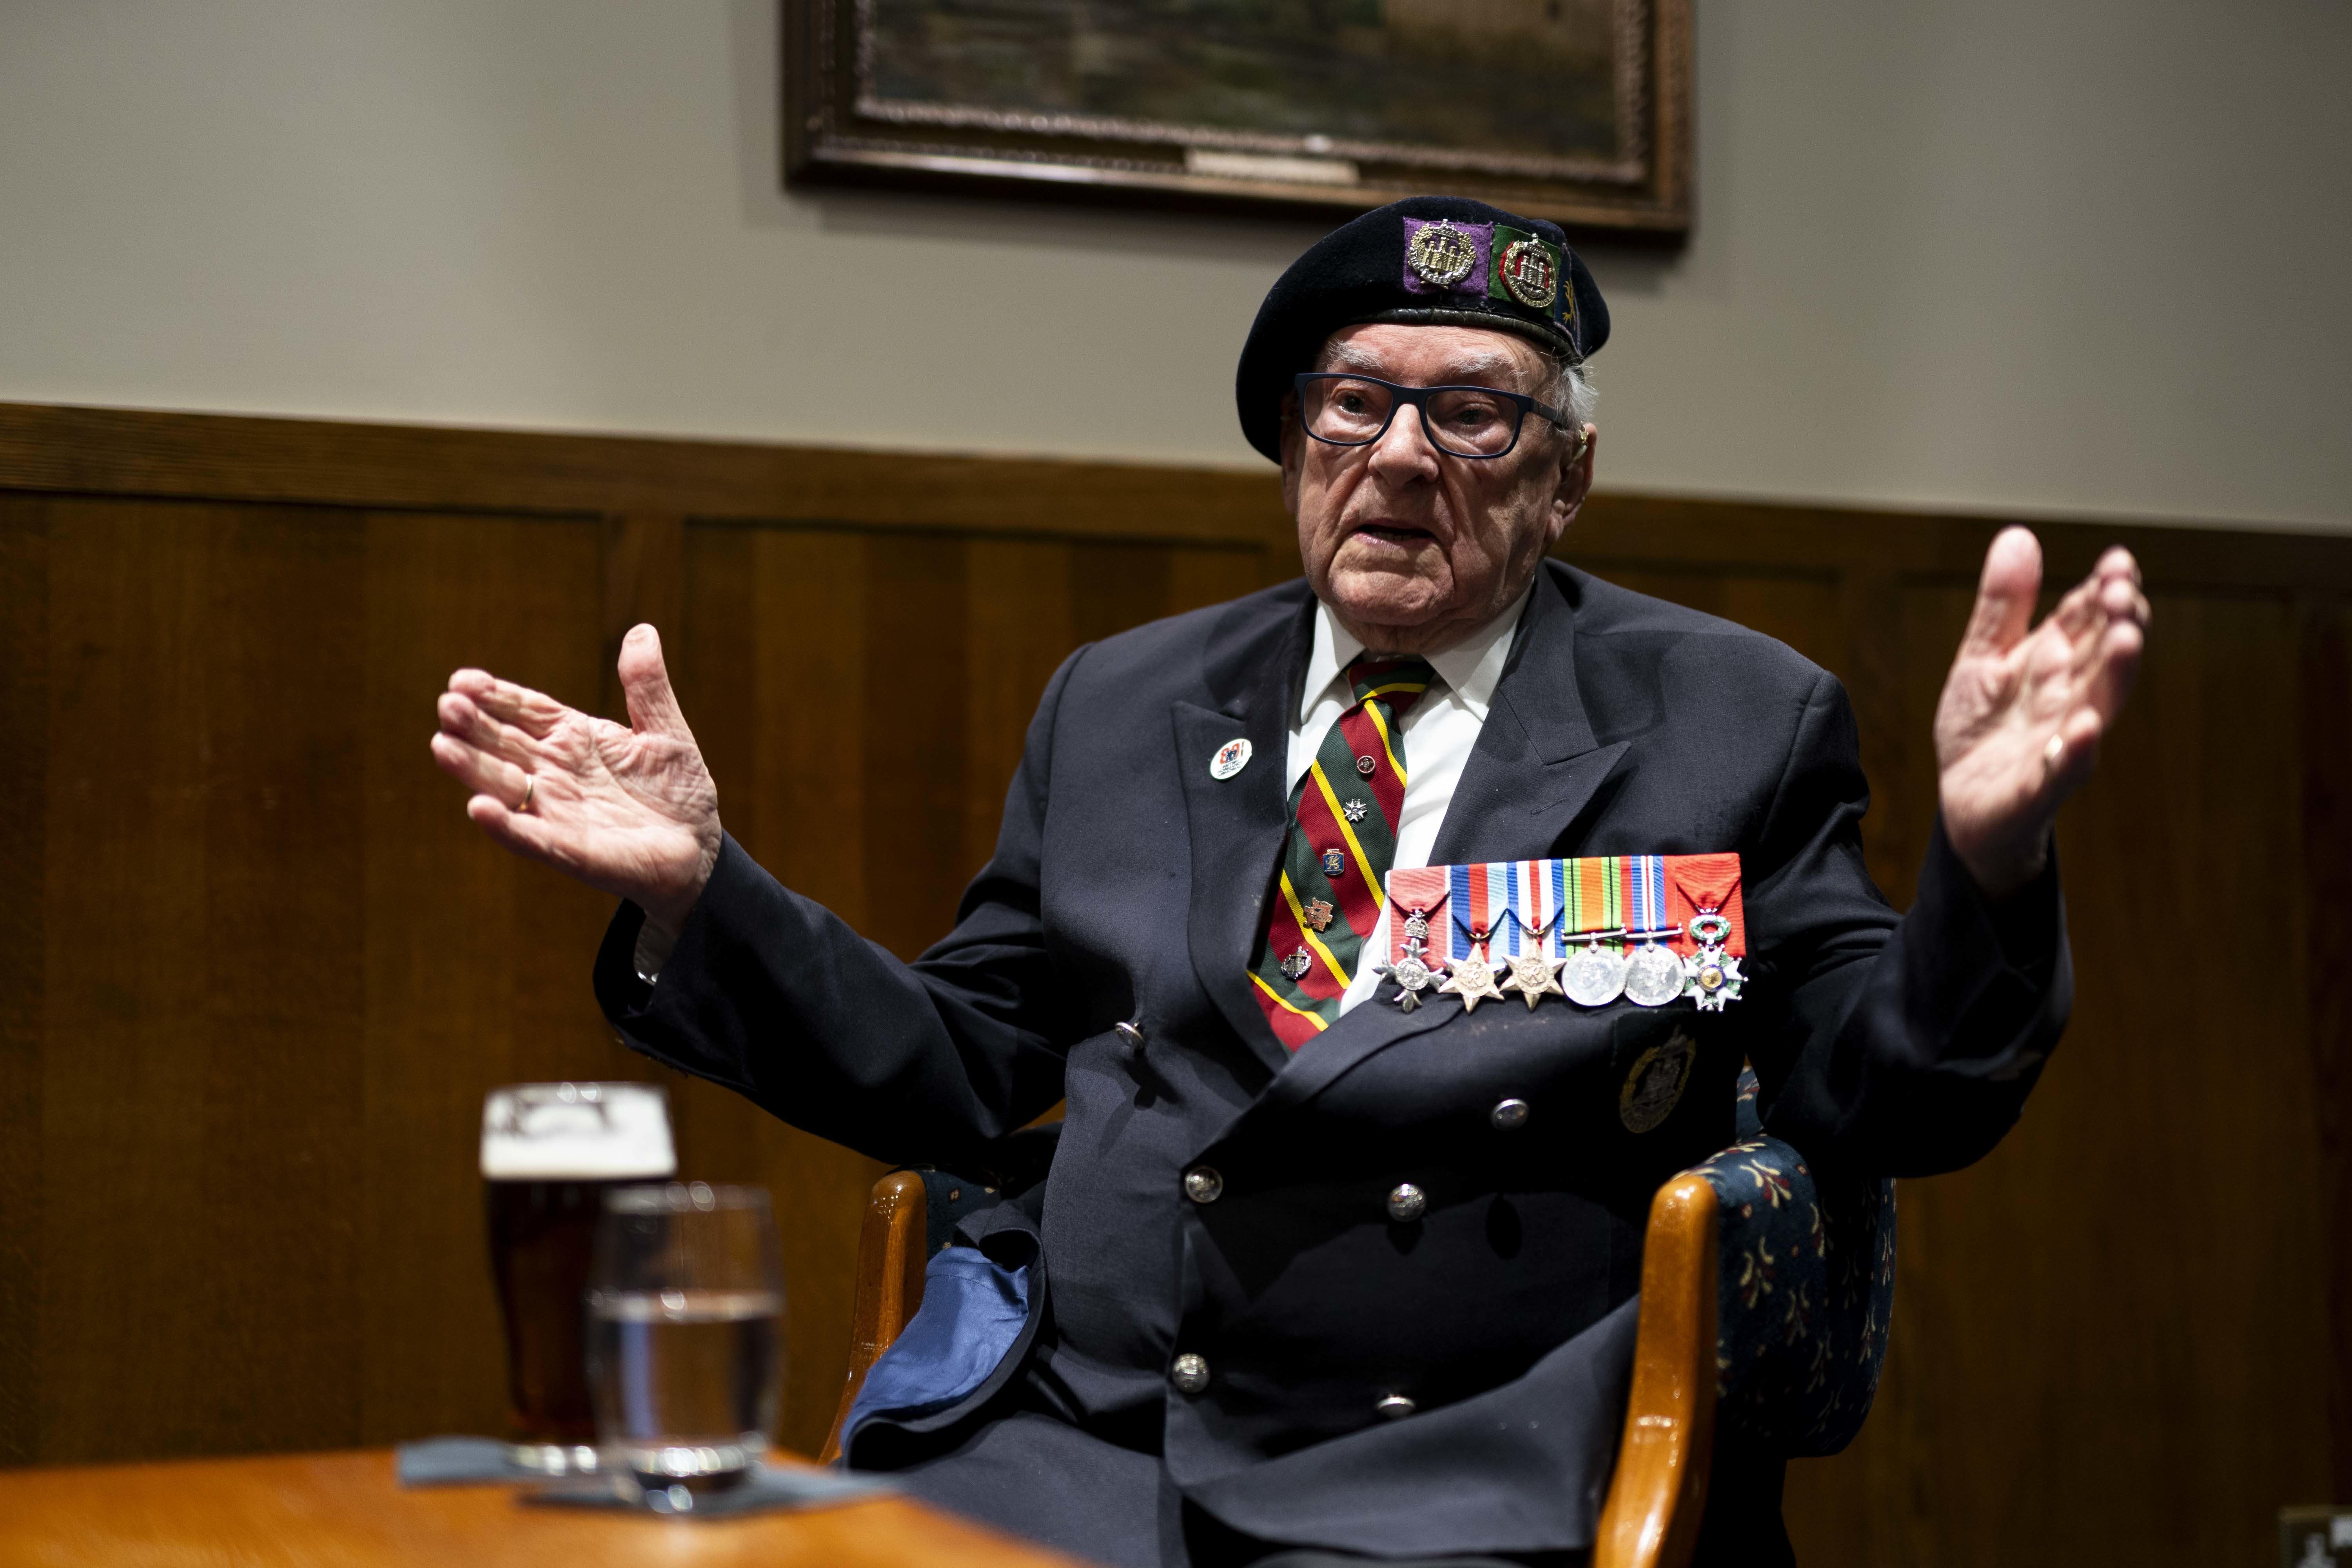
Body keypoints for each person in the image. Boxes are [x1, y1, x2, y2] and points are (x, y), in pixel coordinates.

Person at [430, 196, 2147, 1566]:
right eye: (1355, 402)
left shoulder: (1730, 720)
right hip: (1080, 1450)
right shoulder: (1120, 700)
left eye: (1475, 414)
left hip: (1459, 1481)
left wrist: (1993, 870)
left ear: (1567, 480)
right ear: (1293, 443)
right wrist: (703, 897)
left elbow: (1876, 1087)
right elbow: (962, 1068)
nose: (1402, 455)